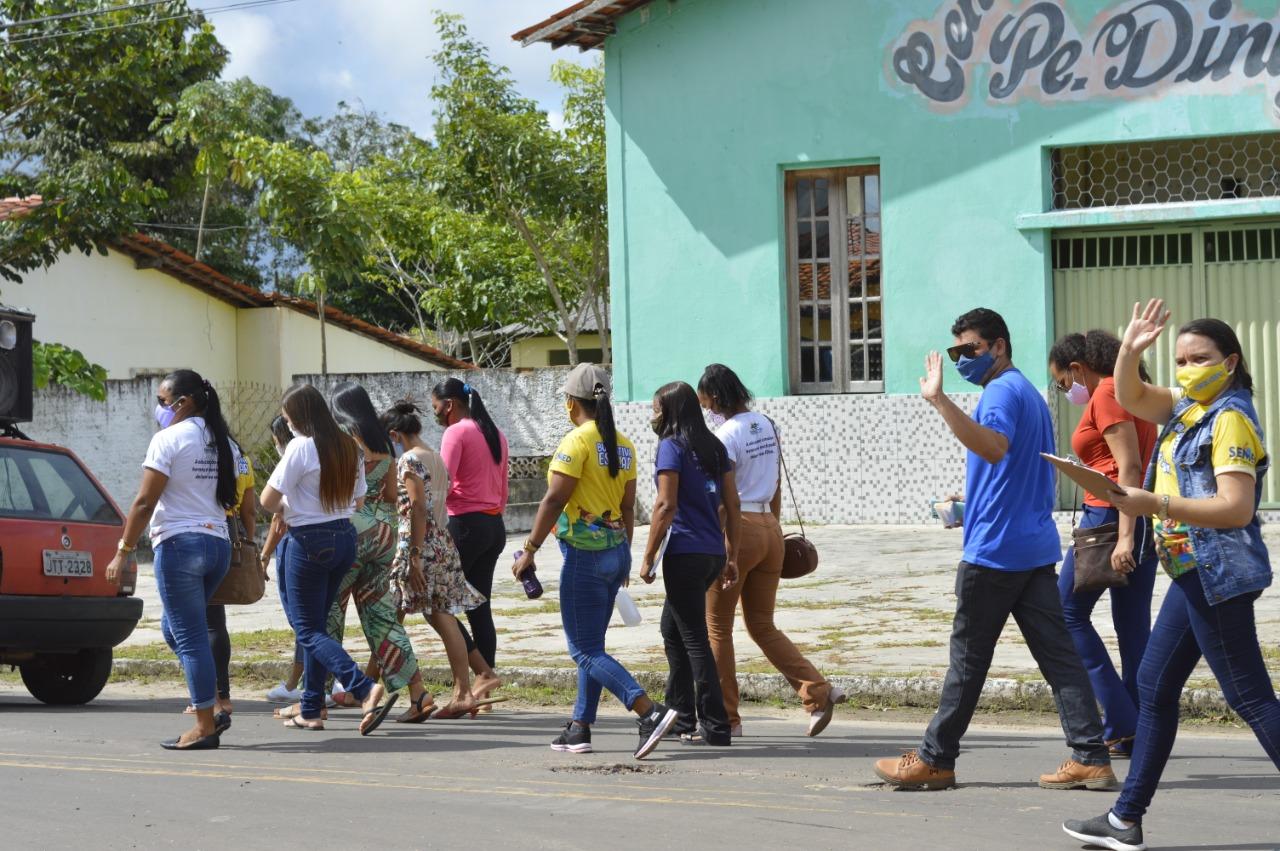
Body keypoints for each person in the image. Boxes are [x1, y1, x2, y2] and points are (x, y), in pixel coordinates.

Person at [1064, 300, 1280, 851]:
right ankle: (1124, 820)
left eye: (1199, 358)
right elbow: (1132, 395)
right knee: (1155, 690)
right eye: (1180, 359)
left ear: (1229, 362)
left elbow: (1235, 508)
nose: (1187, 368)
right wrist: (1131, 352)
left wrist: (1155, 502)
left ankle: (1124, 817)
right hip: (1192, 574)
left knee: (1251, 699)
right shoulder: (1190, 405)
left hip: (1218, 575)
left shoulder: (1230, 416)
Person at [872, 308, 1114, 791]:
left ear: (998, 346)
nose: (962, 358)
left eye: (971, 350)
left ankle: (935, 759)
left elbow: (995, 448)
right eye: (956, 351)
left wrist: (940, 401)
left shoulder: (1001, 392)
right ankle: (1091, 755)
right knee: (1059, 657)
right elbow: (1015, 469)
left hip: (995, 554)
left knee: (967, 660)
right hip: (1030, 547)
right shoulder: (1024, 390)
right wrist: (969, 503)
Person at [512, 363, 678, 758]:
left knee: (583, 649)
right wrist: (625, 557)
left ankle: (647, 710)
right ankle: (580, 727)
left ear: (572, 403)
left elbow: (554, 499)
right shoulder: (624, 444)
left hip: (584, 558)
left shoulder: (576, 442)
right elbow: (627, 506)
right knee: (593, 644)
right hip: (615, 551)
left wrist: (530, 550)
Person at [697, 363, 845, 737]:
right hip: (769, 528)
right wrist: (774, 529)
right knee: (762, 625)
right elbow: (776, 483)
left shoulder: (725, 435)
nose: (706, 409)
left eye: (706, 402)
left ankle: (727, 719)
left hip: (739, 529)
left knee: (717, 629)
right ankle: (817, 690)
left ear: (715, 397)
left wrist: (723, 546)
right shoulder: (767, 424)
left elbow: (724, 497)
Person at [104, 369, 238, 750]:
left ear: (184, 402)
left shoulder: (168, 439)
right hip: (217, 546)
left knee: (191, 637)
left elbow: (144, 502)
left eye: (162, 401)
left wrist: (123, 551)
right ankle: (211, 704)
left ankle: (203, 725)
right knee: (173, 628)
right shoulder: (223, 441)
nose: (158, 408)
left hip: (181, 546)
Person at [259, 384, 397, 734]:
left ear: (299, 417)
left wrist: (292, 508)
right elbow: (360, 502)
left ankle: (363, 687)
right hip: (344, 538)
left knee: (306, 628)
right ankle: (311, 708)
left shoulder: (301, 447)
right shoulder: (348, 445)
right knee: (317, 626)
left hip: (309, 541)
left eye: (288, 418)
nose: (287, 424)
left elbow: (267, 500)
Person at [297, 382, 435, 723]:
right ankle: (419, 693)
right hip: (384, 534)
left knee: (326, 615)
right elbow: (391, 493)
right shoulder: (381, 439)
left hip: (347, 532)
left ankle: (316, 700)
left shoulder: (338, 437)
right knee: (383, 618)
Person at [1048, 330, 1158, 759]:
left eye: (1062, 382)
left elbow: (1128, 467)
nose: (1065, 390)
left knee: (1065, 615)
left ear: (1079, 369)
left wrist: (1125, 535)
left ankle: (1121, 720)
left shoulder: (1107, 392)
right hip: (1133, 515)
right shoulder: (1129, 390)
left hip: (1111, 520)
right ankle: (1138, 727)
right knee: (1132, 629)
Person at [642, 380, 739, 746]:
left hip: (683, 554)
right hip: (712, 553)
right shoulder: (714, 446)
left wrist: (648, 556)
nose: (652, 415)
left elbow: (665, 506)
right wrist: (732, 555)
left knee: (694, 638)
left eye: (655, 408)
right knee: (673, 630)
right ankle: (680, 716)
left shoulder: (671, 446)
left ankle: (715, 725)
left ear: (669, 411)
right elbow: (733, 505)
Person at [381, 399, 488, 719]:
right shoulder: (436, 458)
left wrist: (413, 556)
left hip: (420, 545)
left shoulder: (410, 461)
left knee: (397, 615)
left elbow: (416, 507)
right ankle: (461, 690)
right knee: (440, 615)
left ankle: (382, 691)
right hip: (442, 541)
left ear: (394, 435)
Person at [432, 377, 509, 701]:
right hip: (494, 526)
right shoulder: (495, 433)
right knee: (479, 608)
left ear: (449, 405)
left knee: (436, 602)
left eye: (436, 407)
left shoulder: (456, 432)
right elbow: (503, 487)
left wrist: (431, 525)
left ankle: (481, 675)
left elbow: (442, 483)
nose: (435, 414)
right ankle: (484, 689)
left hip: (464, 525)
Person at [187, 441, 256, 718]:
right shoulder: (242, 459)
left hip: (199, 527)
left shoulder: (196, 455)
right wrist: (248, 543)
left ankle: (207, 697)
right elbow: (249, 510)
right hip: (230, 529)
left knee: (196, 619)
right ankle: (223, 695)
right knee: (216, 620)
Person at [262, 415, 304, 704]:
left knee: (302, 621)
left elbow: (278, 517)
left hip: (295, 544)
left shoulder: (290, 463)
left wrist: (263, 556)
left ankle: (295, 683)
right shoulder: (320, 455)